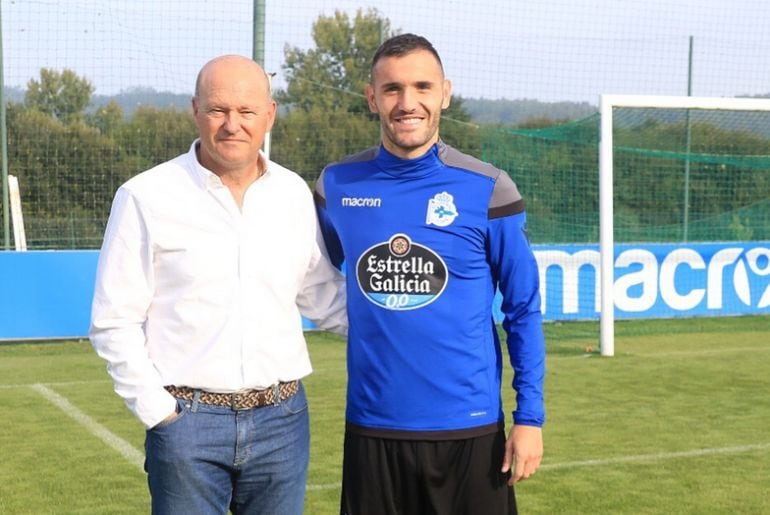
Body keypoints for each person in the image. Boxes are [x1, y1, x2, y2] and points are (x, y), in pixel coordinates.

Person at [90, 54, 347, 515]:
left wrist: (407, 320)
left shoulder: (292, 194)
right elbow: (114, 321)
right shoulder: (145, 196)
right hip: (187, 424)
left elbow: (322, 294)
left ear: (269, 115)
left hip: (283, 421)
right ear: (195, 111)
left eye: (247, 111)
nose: (233, 124)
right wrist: (161, 415)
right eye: (218, 110)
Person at [314, 34, 545, 515]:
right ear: (372, 98)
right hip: (373, 428)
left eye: (422, 86)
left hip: (470, 430)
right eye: (392, 89)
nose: (407, 102)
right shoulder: (336, 185)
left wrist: (530, 418)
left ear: (445, 93)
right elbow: (312, 275)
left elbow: (523, 307)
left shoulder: (487, 188)